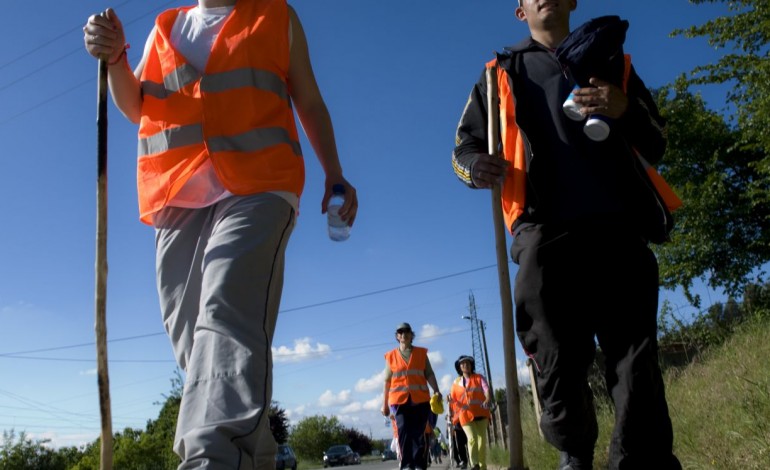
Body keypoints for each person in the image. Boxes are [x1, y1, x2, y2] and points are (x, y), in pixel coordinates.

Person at [83, 1, 358, 468]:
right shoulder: (165, 29)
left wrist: (334, 171)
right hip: (177, 198)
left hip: (260, 186)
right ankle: (254, 457)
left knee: (226, 309)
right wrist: (114, 60)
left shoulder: (275, 17)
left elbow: (308, 99)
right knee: (195, 342)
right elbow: (135, 106)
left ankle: (211, 458)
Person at [451, 1, 682, 469]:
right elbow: (462, 149)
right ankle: (574, 454)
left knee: (634, 359)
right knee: (555, 353)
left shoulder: (613, 62)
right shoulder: (500, 72)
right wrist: (476, 167)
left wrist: (623, 108)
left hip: (619, 226)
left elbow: (656, 139)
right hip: (543, 232)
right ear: (520, 12)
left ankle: (640, 460)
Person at [381, 322, 442, 470]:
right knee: (403, 433)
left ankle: (419, 465)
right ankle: (407, 465)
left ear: (411, 334)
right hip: (399, 402)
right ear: (397, 336)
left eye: (407, 331)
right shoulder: (391, 356)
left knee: (418, 435)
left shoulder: (421, 353)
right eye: (400, 332)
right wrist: (384, 404)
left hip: (420, 400)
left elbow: (429, 373)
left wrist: (436, 390)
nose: (404, 334)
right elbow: (387, 381)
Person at [448, 356, 491, 470]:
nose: (465, 365)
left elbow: (486, 390)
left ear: (471, 365)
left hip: (481, 412)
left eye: (467, 363)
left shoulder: (479, 378)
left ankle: (483, 466)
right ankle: (475, 464)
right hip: (465, 415)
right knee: (472, 439)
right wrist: (449, 400)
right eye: (462, 364)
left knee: (481, 442)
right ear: (459, 367)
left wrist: (487, 399)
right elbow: (452, 398)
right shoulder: (456, 382)